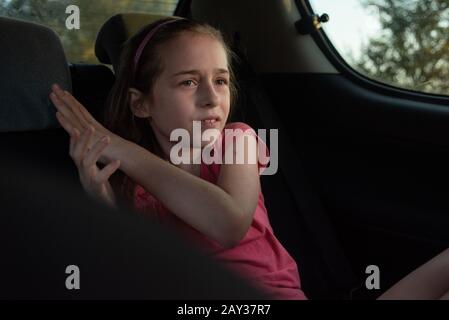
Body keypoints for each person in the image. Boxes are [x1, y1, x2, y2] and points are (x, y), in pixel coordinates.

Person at [49, 17, 307, 300]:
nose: (212, 97)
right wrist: (102, 201)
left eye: (221, 80)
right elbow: (135, 271)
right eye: (188, 82)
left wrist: (119, 147)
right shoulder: (132, 185)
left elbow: (228, 224)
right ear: (141, 104)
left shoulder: (238, 141)